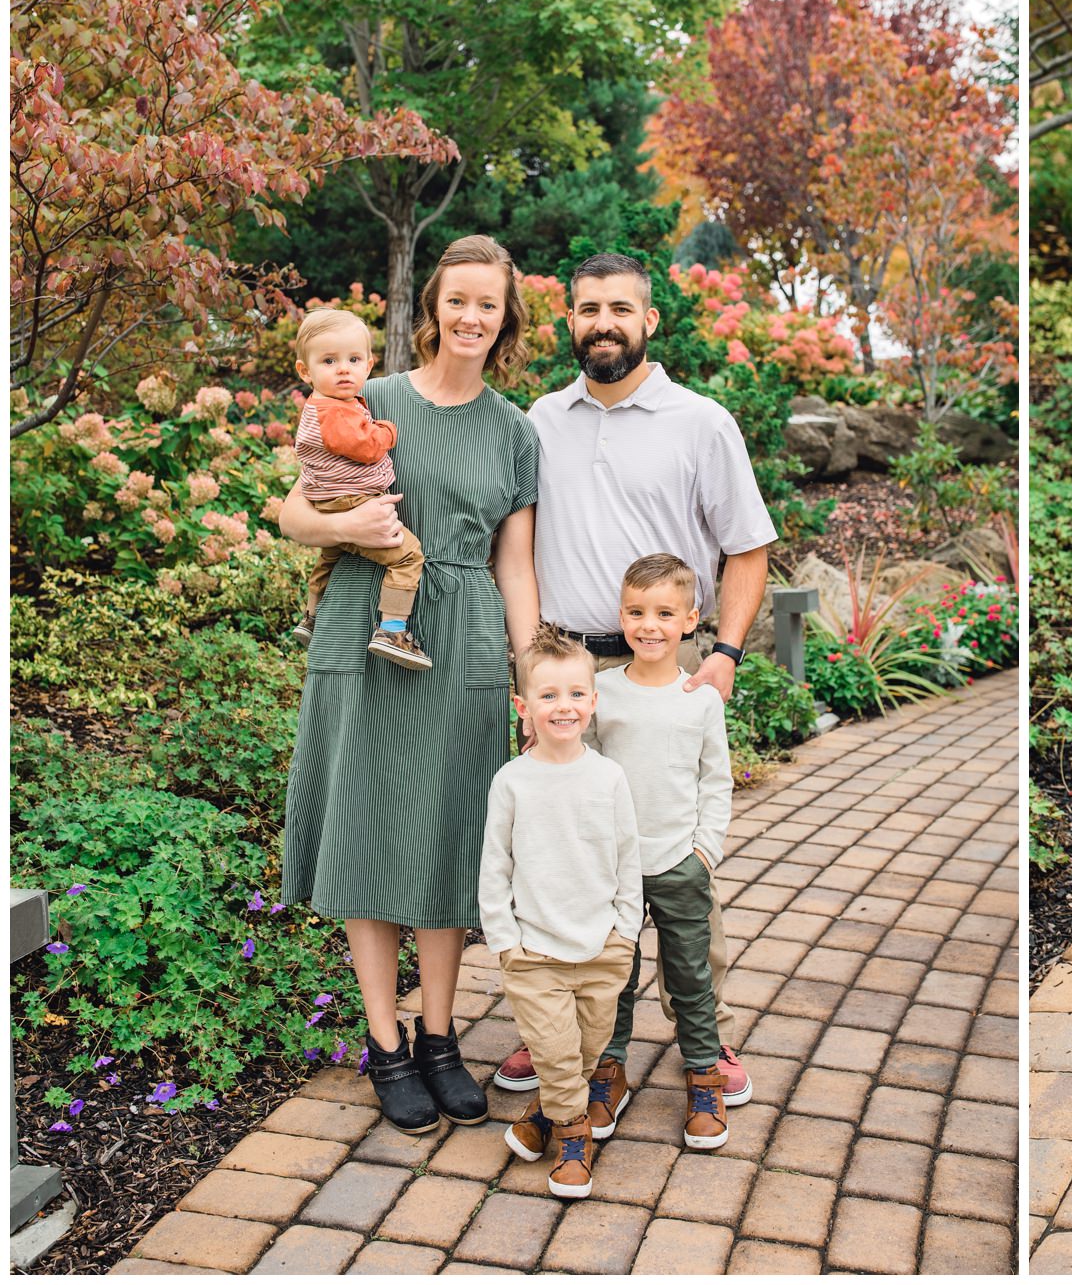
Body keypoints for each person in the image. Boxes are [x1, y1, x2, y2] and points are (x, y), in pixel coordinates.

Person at [491, 251, 775, 1107]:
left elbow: (748, 546)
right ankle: (562, 1024)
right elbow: (518, 545)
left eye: (620, 307)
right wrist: (530, 666)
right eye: (587, 308)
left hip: (665, 663)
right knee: (565, 851)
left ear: (651, 321)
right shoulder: (539, 420)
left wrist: (721, 653)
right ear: (569, 321)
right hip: (568, 670)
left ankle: (703, 1028)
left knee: (674, 859)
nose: (603, 321)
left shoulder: (701, 422)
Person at [278, 234, 540, 1133]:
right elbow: (290, 514)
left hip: (463, 642)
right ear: (431, 309)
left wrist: (528, 670)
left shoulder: (515, 429)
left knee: (448, 839)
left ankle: (439, 1037)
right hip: (366, 624)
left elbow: (517, 563)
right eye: (457, 299)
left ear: (506, 320)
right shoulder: (368, 397)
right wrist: (355, 531)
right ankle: (385, 1043)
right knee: (368, 828)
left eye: (489, 304)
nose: (471, 316)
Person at [481, 625, 641, 1199]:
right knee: (552, 1048)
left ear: (593, 703)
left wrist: (624, 932)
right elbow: (494, 866)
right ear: (523, 708)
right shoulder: (513, 782)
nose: (563, 706)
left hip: (602, 948)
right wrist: (505, 939)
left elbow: (628, 860)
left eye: (575, 693)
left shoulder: (609, 777)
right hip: (535, 952)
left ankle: (546, 1115)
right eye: (548, 696)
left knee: (584, 1051)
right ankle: (575, 1139)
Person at [583, 553, 734, 1152]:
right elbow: (583, 771)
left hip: (678, 861)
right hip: (614, 866)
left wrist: (705, 851)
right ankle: (609, 1069)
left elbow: (714, 781)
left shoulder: (699, 698)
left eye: (665, 613)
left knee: (691, 974)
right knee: (614, 974)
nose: (649, 625)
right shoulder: (600, 691)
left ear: (690, 619)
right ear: (620, 615)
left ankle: (702, 1075)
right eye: (637, 612)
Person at [286, 308, 430, 668]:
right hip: (351, 501)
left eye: (353, 359)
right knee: (408, 554)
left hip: (330, 500)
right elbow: (366, 446)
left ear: (369, 364)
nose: (343, 369)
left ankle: (312, 615)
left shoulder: (331, 404)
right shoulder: (332, 411)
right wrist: (388, 431)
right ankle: (393, 629)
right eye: (329, 361)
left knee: (330, 556)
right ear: (305, 371)